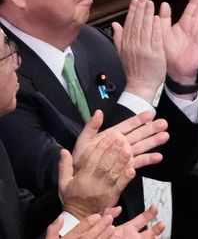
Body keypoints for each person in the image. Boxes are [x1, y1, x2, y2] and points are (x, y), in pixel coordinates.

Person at [0, 0, 198, 223]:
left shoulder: (94, 42)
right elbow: (69, 187)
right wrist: (141, 89)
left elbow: (170, 162)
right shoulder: (6, 80)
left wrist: (180, 80)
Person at [0, 27, 166, 238]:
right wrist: (79, 212)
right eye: (7, 51)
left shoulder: (96, 43)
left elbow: (19, 223)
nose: (17, 62)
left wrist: (78, 190)